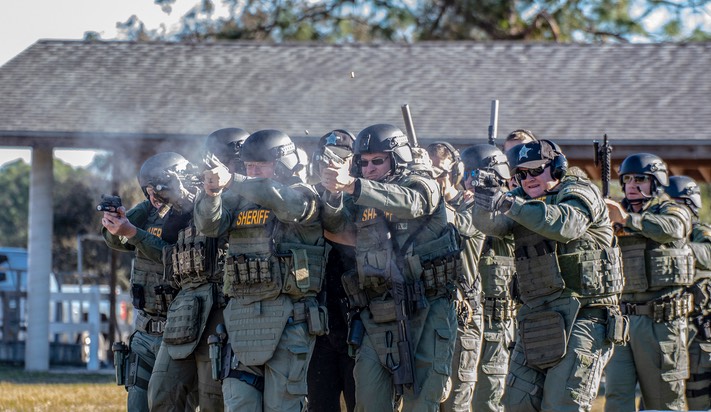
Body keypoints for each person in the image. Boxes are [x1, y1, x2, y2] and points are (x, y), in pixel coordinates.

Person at [471, 140, 624, 412]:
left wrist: (507, 202)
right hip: (536, 319)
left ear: (557, 168)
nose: (528, 179)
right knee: (517, 405)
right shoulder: (523, 200)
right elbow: (492, 225)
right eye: (521, 174)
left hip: (585, 317)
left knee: (563, 405)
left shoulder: (579, 192)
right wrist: (485, 200)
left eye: (536, 170)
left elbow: (566, 224)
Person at [320, 123, 459, 411]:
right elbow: (336, 224)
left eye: (377, 161)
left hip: (428, 310)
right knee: (369, 402)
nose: (369, 169)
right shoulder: (360, 192)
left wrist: (353, 185)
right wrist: (333, 193)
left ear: (398, 159)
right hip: (378, 313)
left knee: (422, 404)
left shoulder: (422, 182)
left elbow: (411, 202)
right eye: (363, 162)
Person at [195, 129, 326, 412]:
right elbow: (209, 226)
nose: (252, 172)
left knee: (283, 406)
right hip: (242, 318)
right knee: (239, 403)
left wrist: (234, 180)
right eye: (248, 166)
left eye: (259, 165)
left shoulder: (303, 193)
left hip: (289, 319)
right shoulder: (239, 198)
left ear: (283, 164)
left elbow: (286, 204)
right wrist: (212, 193)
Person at [147, 127, 249, 411]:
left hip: (223, 305)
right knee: (162, 394)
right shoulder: (202, 190)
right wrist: (181, 200)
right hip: (188, 303)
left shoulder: (248, 194)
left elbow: (216, 225)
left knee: (212, 399)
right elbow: (169, 233)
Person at [101, 152, 194, 412]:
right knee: (137, 404)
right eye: (148, 191)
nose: (153, 198)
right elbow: (115, 239)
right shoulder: (150, 211)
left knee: (170, 404)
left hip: (177, 331)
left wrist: (132, 233)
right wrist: (115, 223)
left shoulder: (195, 213)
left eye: (159, 191)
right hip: (145, 329)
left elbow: (173, 258)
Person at [603, 153, 694, 411]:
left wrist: (627, 220)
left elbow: (675, 227)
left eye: (640, 179)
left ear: (656, 182)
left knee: (663, 400)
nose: (632, 185)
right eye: (627, 179)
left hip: (660, 322)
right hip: (620, 322)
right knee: (616, 398)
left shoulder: (671, 209)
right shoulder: (614, 212)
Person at [426, 141, 485, 412]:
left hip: (463, 314)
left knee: (456, 403)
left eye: (439, 172)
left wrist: (424, 197)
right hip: (428, 311)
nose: (435, 178)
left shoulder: (472, 204)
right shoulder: (421, 207)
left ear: (456, 172)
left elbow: (460, 225)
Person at [460, 144, 517, 412]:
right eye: (467, 174)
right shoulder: (460, 206)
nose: (471, 181)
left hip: (498, 321)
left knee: (489, 399)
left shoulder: (511, 206)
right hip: (467, 319)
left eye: (477, 174)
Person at [306, 129, 358, 412]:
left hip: (357, 319)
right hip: (319, 323)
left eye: (340, 158)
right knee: (320, 404)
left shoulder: (362, 195)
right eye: (326, 158)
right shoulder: (308, 196)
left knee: (359, 401)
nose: (331, 165)